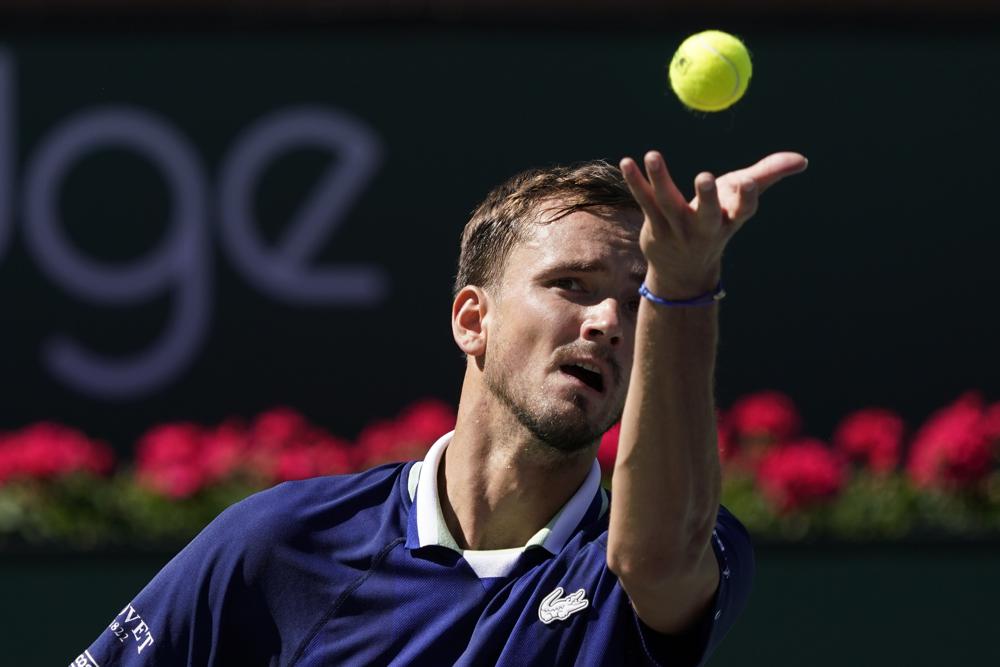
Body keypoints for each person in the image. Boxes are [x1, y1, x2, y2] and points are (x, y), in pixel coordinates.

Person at [73, 149, 807, 667]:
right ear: (471, 320)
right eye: (574, 285)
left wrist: (681, 289)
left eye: (633, 299)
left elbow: (654, 556)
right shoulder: (277, 547)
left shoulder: (663, 553)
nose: (609, 321)